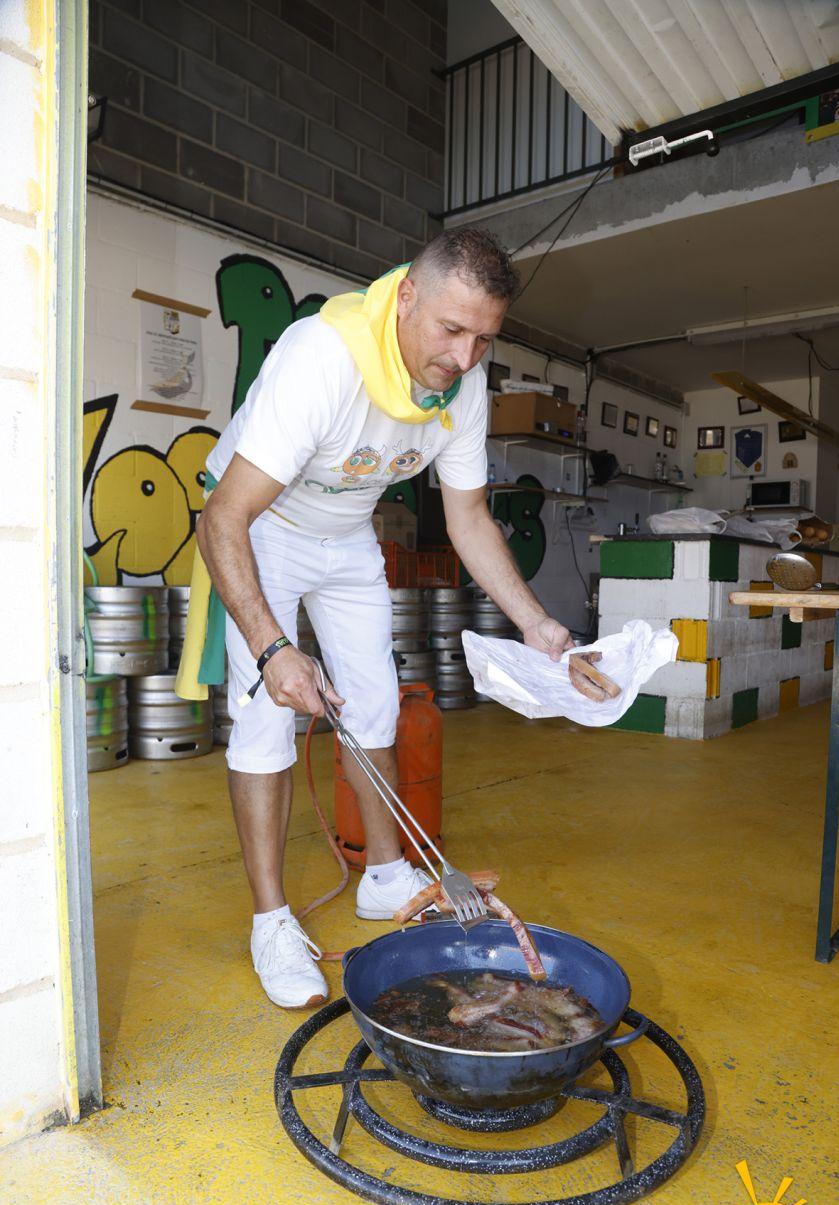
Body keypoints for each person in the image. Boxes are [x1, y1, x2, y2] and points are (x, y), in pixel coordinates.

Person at [196, 229, 575, 1010]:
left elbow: (468, 518)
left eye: (483, 338)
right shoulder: (322, 358)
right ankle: (271, 923)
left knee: (373, 703)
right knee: (265, 719)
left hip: (346, 536)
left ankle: (384, 877)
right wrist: (272, 650)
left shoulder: (463, 385)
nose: (464, 357)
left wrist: (535, 623)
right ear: (405, 297)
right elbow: (222, 516)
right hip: (264, 528)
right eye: (451, 329)